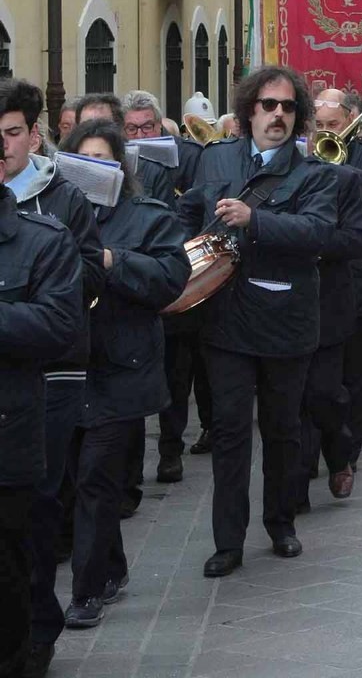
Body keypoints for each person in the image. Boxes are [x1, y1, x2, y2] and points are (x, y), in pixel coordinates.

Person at [179, 65, 338, 575]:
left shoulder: (313, 172)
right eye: (269, 105)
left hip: (285, 319)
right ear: (250, 110)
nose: (278, 115)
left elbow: (316, 232)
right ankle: (228, 541)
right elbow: (188, 214)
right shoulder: (216, 158)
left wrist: (257, 220)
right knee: (228, 432)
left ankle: (281, 523)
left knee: (282, 430)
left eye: (288, 107)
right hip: (224, 319)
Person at [61, 120, 189, 630]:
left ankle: (86, 591)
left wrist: (114, 260)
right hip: (68, 366)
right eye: (82, 163)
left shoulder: (147, 216)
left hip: (121, 366)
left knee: (95, 477)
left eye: (104, 162)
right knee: (78, 477)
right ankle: (111, 567)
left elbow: (170, 280)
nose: (93, 173)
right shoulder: (54, 213)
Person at [0, 79, 105, 678]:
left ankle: (37, 630)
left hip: (56, 378)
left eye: (14, 133)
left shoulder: (62, 198)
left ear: (33, 135)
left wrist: (46, 265)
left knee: (36, 508)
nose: (7, 145)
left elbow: (85, 277)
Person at [303, 89, 362, 500]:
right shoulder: (300, 158)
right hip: (307, 289)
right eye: (318, 126)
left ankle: (347, 451)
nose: (325, 132)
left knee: (351, 379)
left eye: (333, 125)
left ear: (352, 122)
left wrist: (333, 170)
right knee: (305, 387)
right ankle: (303, 467)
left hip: (356, 282)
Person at [120, 90, 210, 479]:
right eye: (132, 128)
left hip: (175, 272)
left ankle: (170, 450)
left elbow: (200, 205)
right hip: (132, 277)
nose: (141, 134)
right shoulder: (116, 161)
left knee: (176, 369)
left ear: (160, 124)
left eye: (148, 126)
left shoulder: (186, 156)